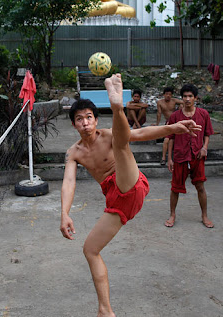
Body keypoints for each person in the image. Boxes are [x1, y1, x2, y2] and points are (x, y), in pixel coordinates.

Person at [60, 74, 201, 317]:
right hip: (116, 201)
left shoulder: (108, 135)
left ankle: (117, 106)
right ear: (74, 125)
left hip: (130, 182)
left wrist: (173, 128)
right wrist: (64, 213)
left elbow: (143, 133)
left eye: (89, 117)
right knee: (90, 249)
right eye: (79, 119)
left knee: (123, 142)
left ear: (95, 120)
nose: (85, 122)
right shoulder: (73, 153)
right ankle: (105, 310)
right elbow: (68, 182)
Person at [165, 84, 214, 228]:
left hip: (197, 156)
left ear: (195, 98)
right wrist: (169, 158)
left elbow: (207, 134)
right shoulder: (175, 116)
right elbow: (171, 138)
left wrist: (205, 148)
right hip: (180, 156)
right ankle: (172, 215)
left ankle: (204, 216)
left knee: (200, 186)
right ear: (181, 99)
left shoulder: (203, 114)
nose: (187, 99)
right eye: (185, 96)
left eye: (190, 96)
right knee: (175, 188)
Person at [153, 87, 184, 165]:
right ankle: (163, 158)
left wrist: (179, 109)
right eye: (167, 94)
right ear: (164, 95)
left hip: (177, 121)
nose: (168, 96)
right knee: (166, 140)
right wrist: (157, 124)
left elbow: (184, 102)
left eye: (170, 94)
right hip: (169, 122)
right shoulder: (160, 102)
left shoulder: (174, 101)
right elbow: (159, 113)